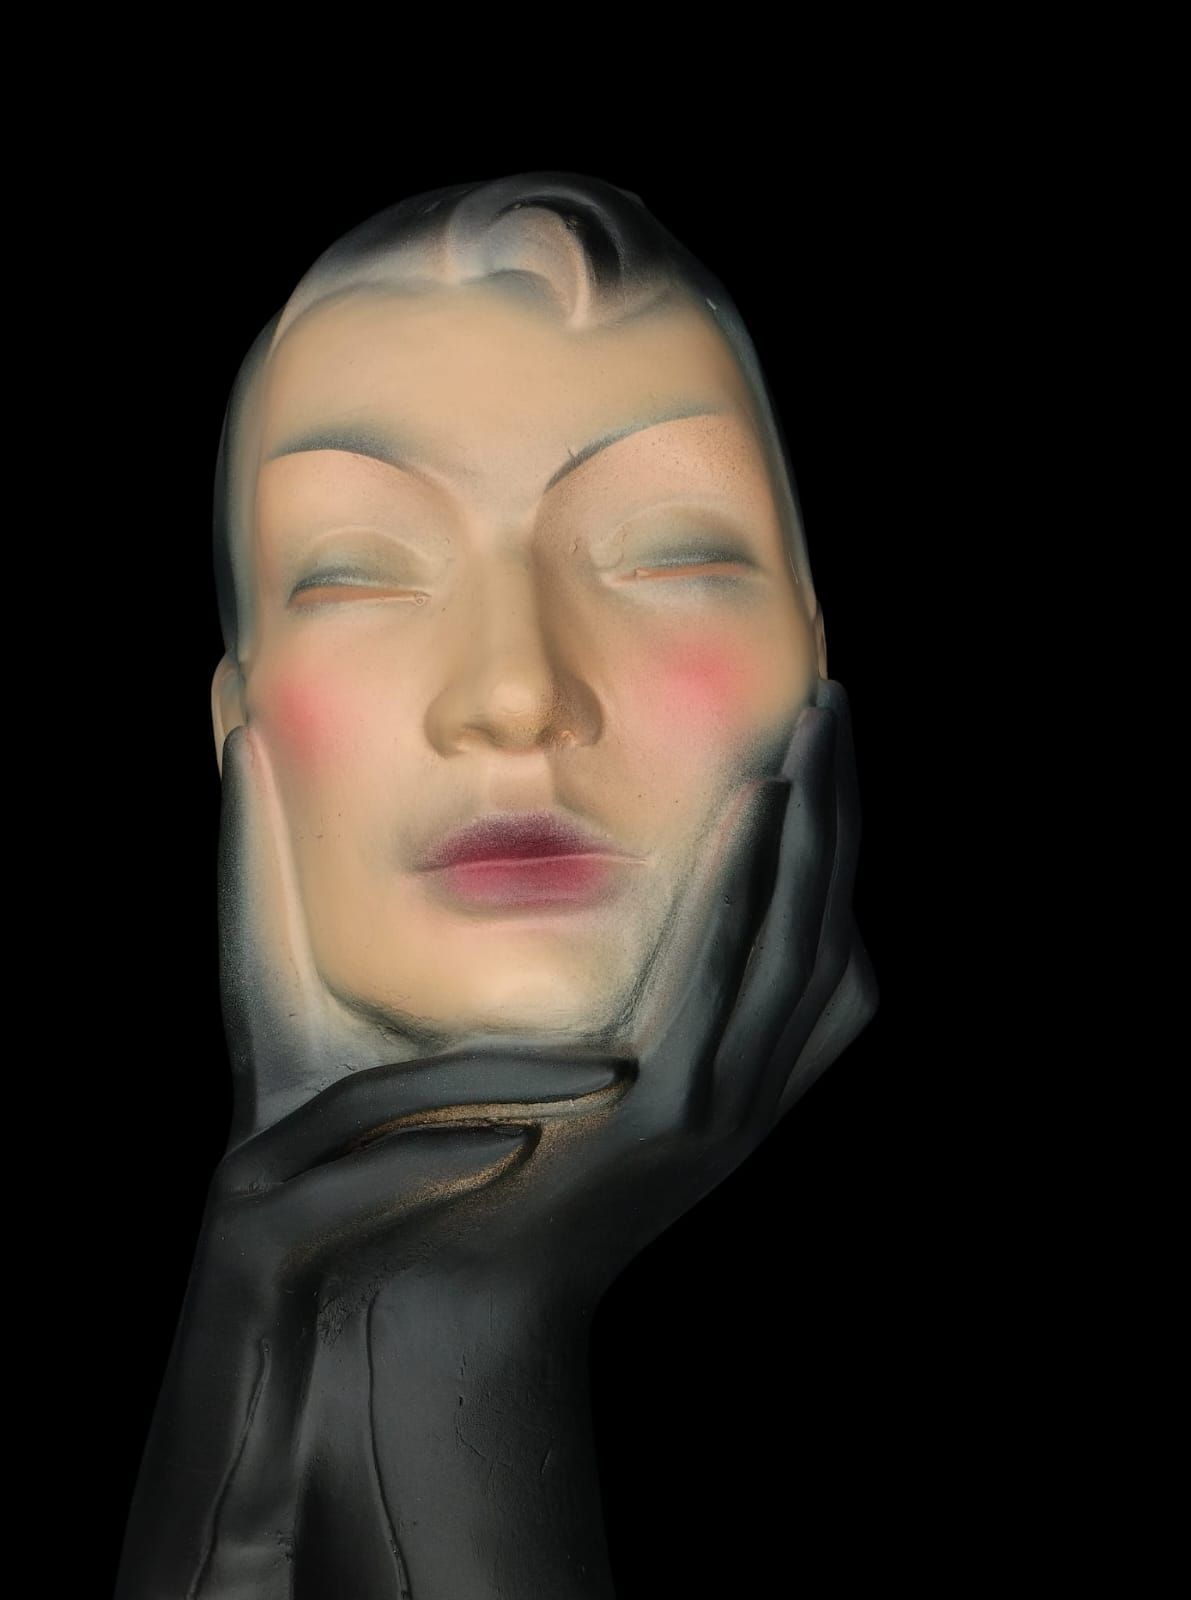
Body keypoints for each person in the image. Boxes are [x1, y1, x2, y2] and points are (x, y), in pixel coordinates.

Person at [115, 171, 878, 1599]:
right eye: (358, 573)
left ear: (814, 673)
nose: (518, 692)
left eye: (668, 552)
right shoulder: (254, 1291)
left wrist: (458, 1318)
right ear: (237, 733)